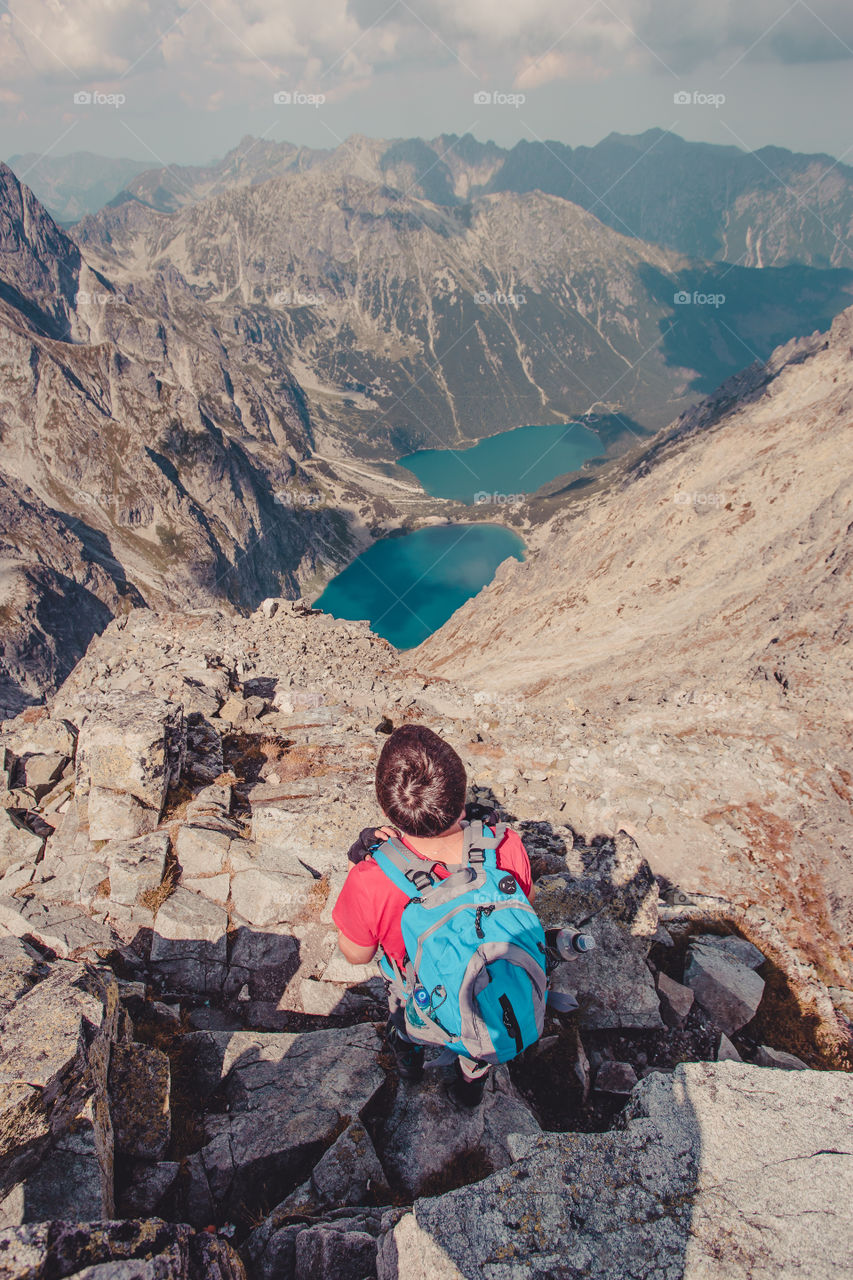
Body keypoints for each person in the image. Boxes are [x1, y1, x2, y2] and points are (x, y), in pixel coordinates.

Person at [332, 723, 535, 1107]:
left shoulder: (371, 879)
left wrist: (371, 863)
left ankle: (408, 1055)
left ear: (387, 808)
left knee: (404, 1019)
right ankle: (470, 1082)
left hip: (421, 995)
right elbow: (527, 901)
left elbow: (355, 953)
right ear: (461, 796)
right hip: (490, 993)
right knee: (478, 1036)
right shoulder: (507, 845)